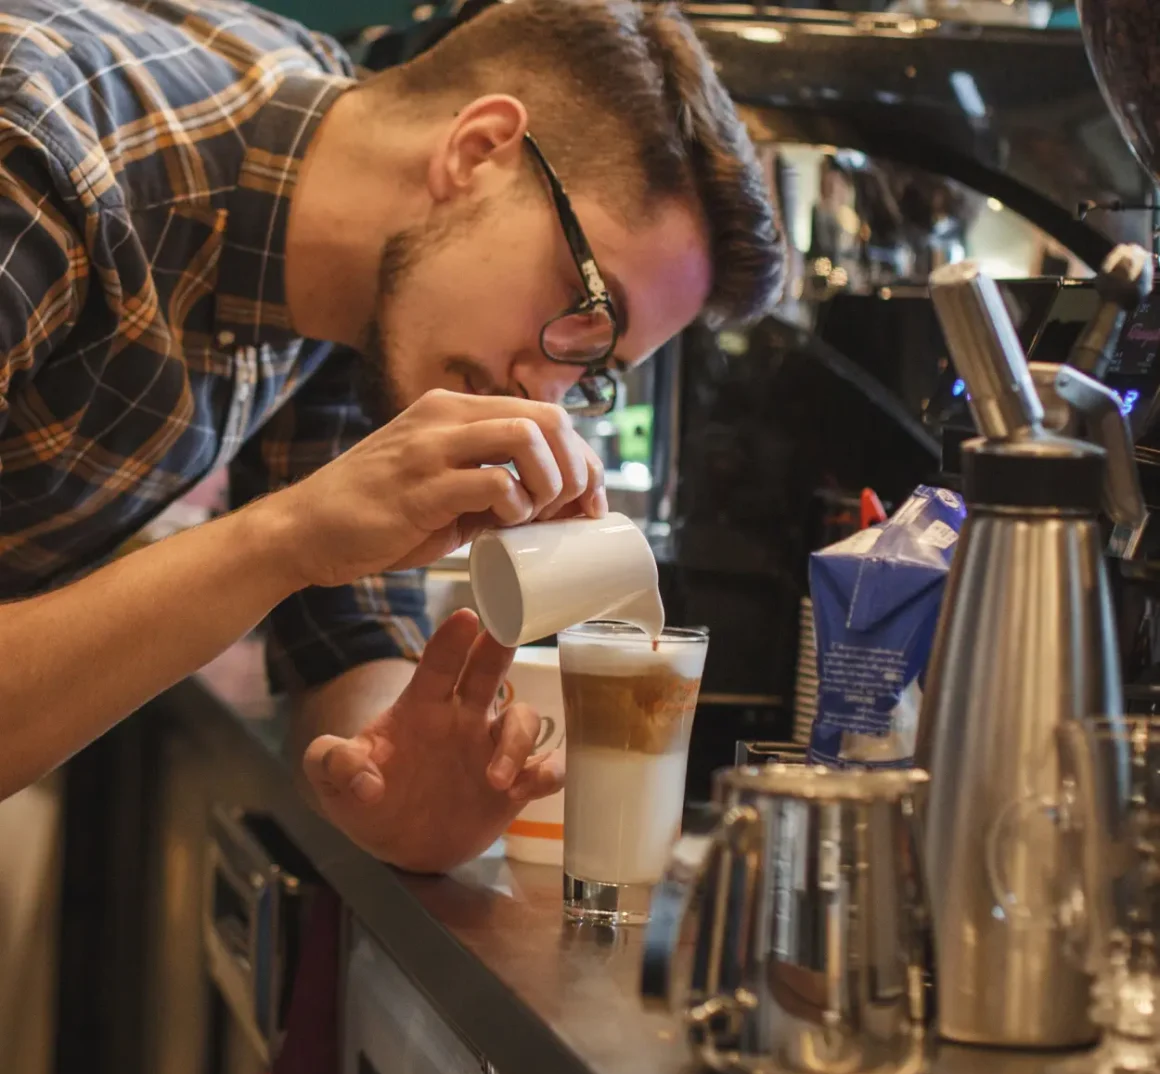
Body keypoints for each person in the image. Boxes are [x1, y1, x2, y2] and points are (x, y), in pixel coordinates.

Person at [0, 0, 782, 872]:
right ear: (479, 151)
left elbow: (348, 622)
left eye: (595, 371)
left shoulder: (371, 266)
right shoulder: (36, 155)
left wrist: (404, 773)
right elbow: (302, 545)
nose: (546, 392)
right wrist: (282, 538)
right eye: (586, 313)